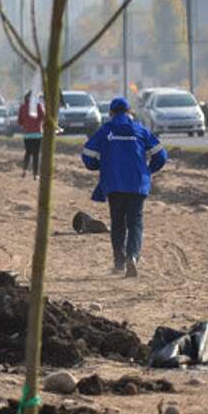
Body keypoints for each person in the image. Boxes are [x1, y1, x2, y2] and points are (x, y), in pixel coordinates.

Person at [81, 96, 166, 278]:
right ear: (129, 112)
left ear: (111, 113)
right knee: (135, 222)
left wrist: (98, 166)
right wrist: (148, 170)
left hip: (114, 184)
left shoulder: (105, 131)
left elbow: (87, 154)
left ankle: (119, 263)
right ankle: (132, 257)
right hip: (137, 184)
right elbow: (161, 155)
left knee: (118, 223)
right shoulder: (139, 130)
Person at [16, 90, 47, 178]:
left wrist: (26, 123)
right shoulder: (38, 106)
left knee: (28, 152)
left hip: (27, 134)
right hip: (37, 133)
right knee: (36, 154)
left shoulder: (22, 107)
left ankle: (24, 170)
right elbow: (43, 117)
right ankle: (35, 174)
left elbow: (19, 121)